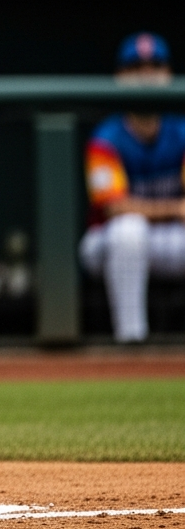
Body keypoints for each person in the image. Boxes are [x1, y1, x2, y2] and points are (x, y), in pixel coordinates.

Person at [79, 32, 185, 343]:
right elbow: (114, 206)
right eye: (136, 67)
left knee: (135, 225)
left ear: (169, 74)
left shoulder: (181, 131)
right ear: (120, 77)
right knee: (129, 228)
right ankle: (131, 342)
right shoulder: (106, 138)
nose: (147, 74)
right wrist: (174, 208)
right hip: (107, 244)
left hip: (168, 240)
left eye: (155, 65)